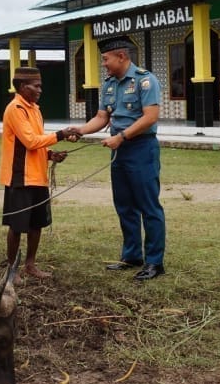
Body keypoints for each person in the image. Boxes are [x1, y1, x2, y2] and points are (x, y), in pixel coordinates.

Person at [64, 38, 166, 281]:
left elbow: (150, 117)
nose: (104, 65)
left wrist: (121, 136)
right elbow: (101, 117)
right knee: (124, 205)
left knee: (148, 206)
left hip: (141, 148)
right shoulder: (110, 84)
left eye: (106, 59)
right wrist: (80, 130)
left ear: (121, 56)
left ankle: (154, 262)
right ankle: (131, 256)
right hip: (119, 150)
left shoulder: (145, 80)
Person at [0, 67, 71, 281]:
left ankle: (30, 265)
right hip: (20, 176)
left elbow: (37, 140)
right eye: (36, 86)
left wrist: (50, 154)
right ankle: (11, 269)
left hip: (38, 176)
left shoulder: (35, 109)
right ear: (22, 87)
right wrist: (61, 134)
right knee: (17, 225)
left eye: (40, 85)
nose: (40, 89)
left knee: (37, 223)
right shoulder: (15, 108)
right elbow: (30, 142)